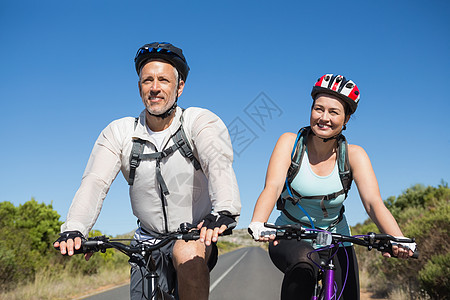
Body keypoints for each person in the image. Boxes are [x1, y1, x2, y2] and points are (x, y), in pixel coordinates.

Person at [53, 42, 241, 300]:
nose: (155, 88)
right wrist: (75, 228)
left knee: (187, 254)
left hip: (192, 235)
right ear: (139, 86)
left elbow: (217, 162)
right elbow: (95, 182)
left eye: (164, 80)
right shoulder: (120, 132)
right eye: (147, 80)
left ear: (180, 87)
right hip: (146, 240)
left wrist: (225, 210)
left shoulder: (199, 121)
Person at [248, 74, 416, 300]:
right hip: (291, 235)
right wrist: (259, 222)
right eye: (318, 109)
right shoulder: (290, 143)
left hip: (337, 238)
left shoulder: (355, 156)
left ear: (346, 119)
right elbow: (273, 187)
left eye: (334, 112)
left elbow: (373, 204)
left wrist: (398, 239)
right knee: (304, 265)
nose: (324, 117)